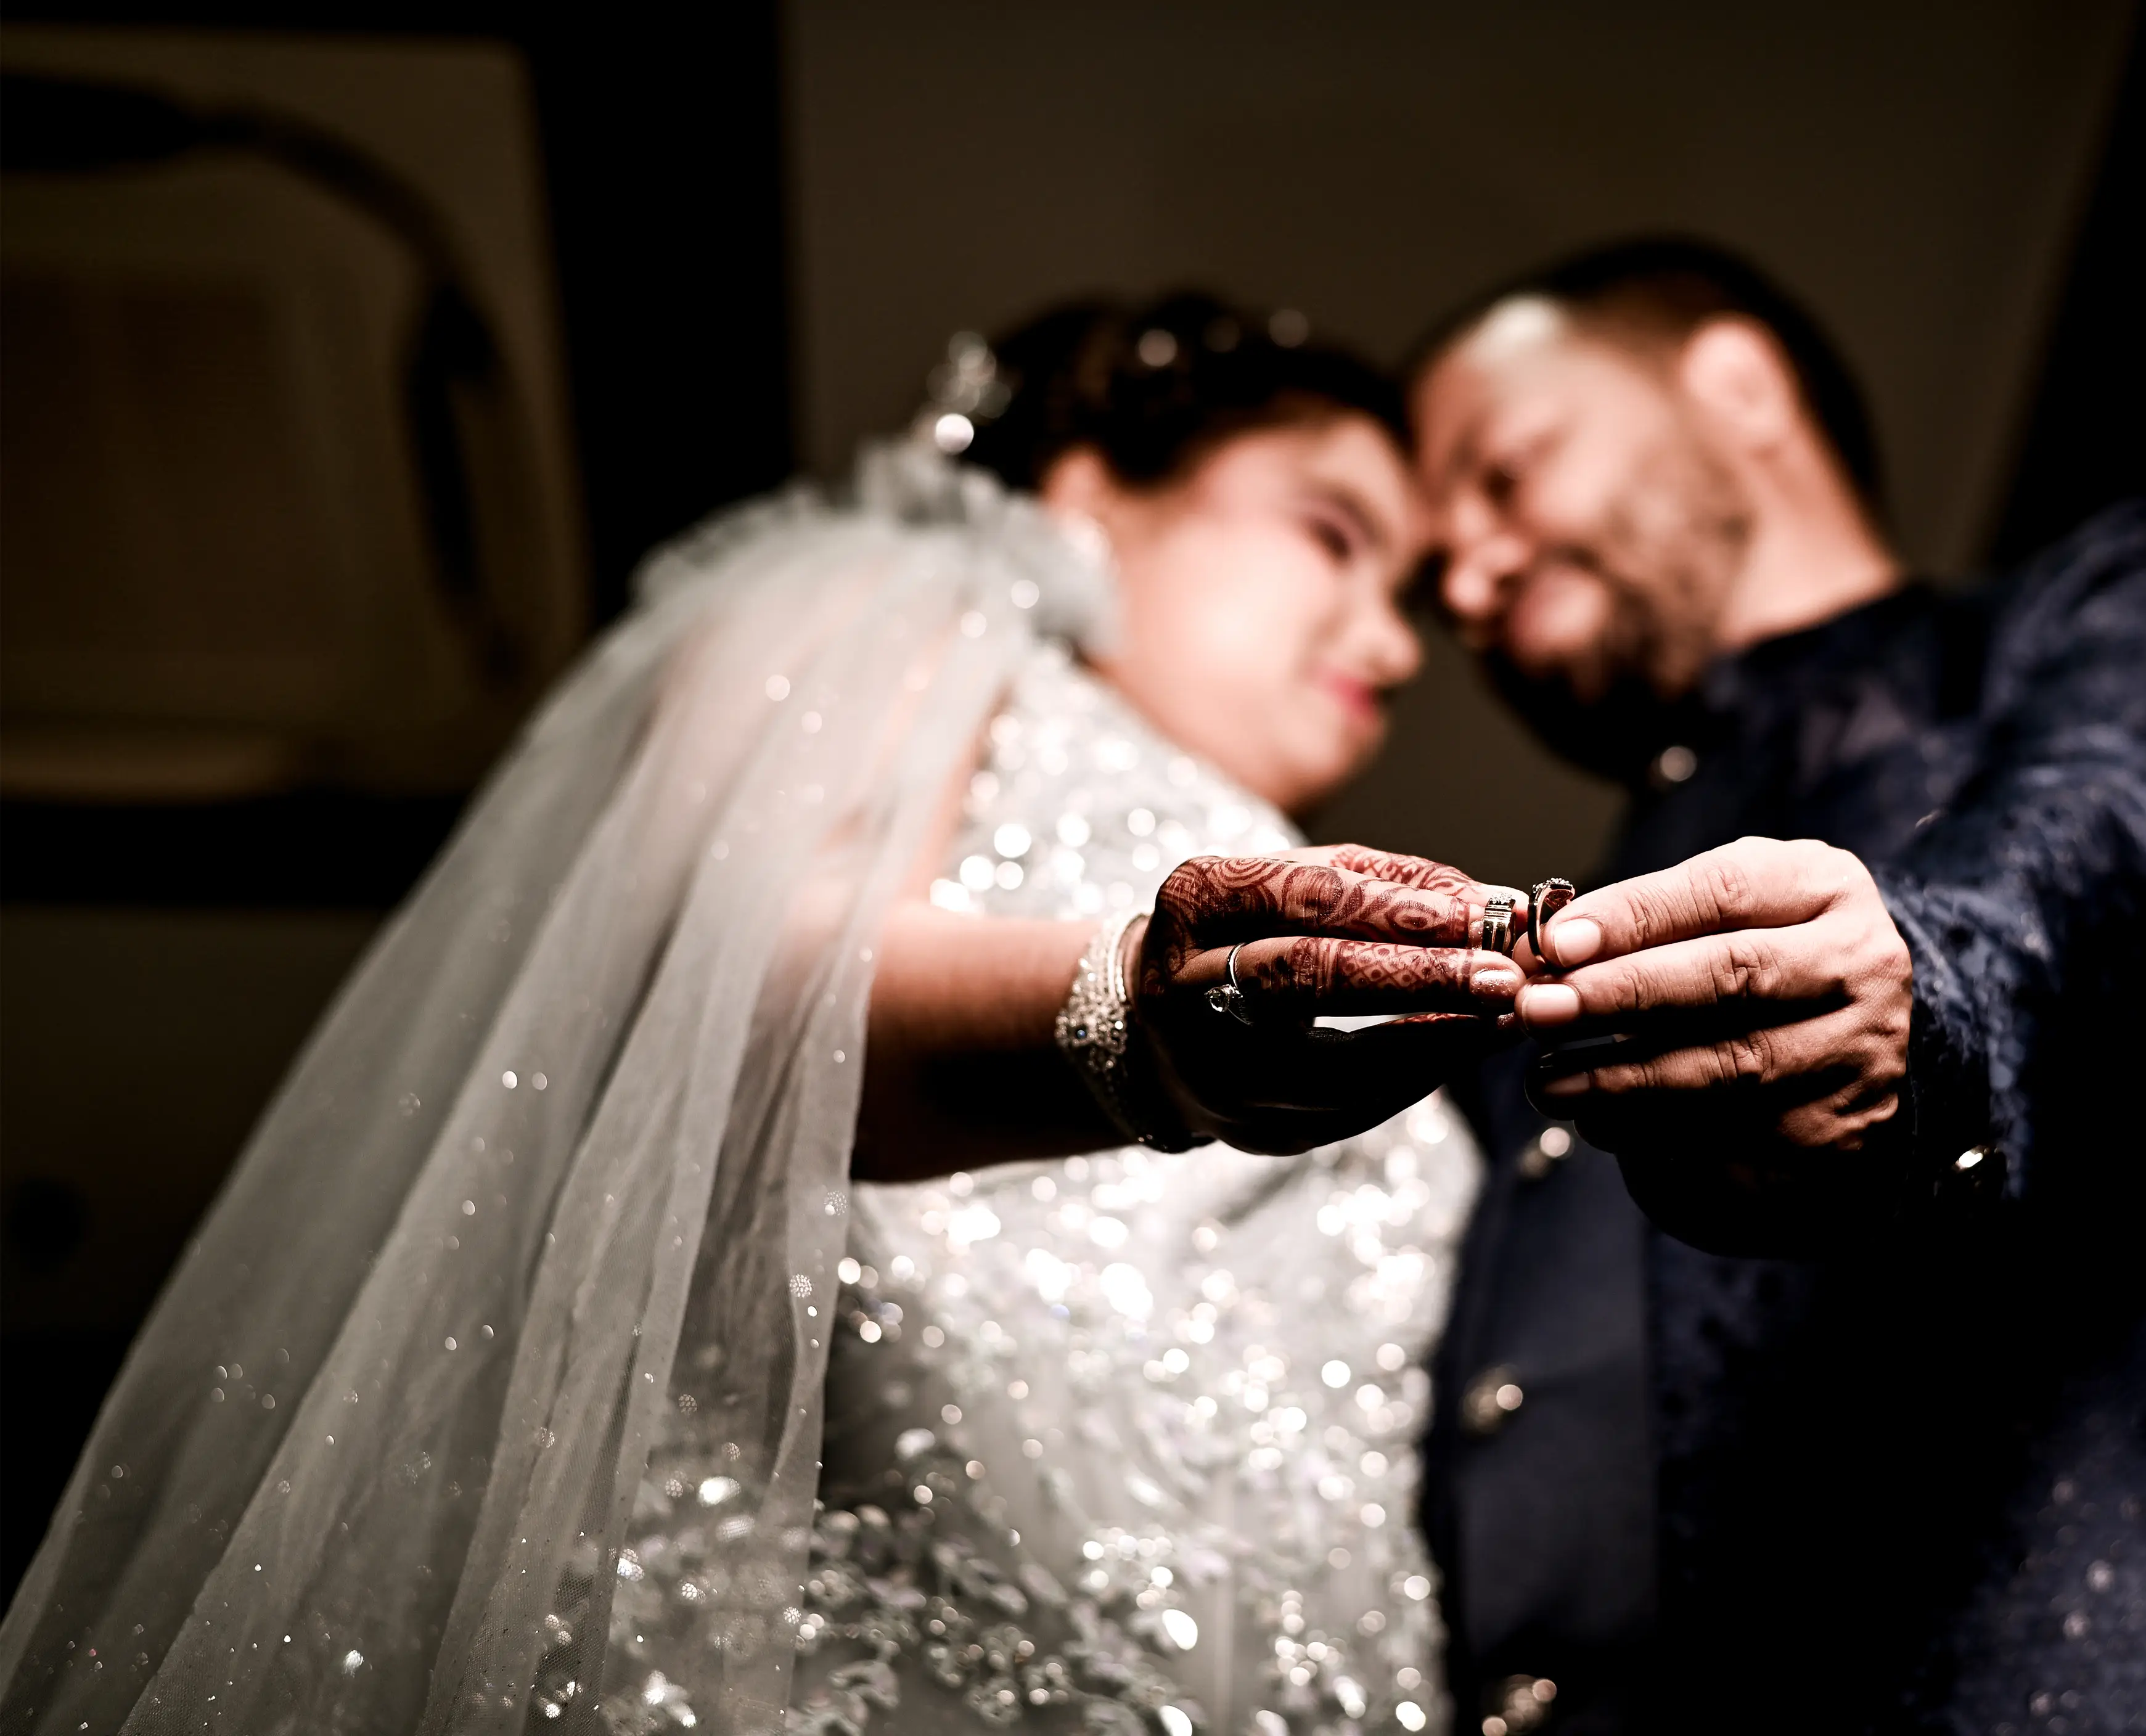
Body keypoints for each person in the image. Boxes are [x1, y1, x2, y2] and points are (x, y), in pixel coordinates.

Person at [0, 292, 1510, 1736]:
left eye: (1410, 603)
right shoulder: (907, 610)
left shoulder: (1295, 866)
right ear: (1088, 493)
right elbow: (730, 987)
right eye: (1334, 535)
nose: (1392, 647)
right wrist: (1127, 1022)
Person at [1409, 239, 2146, 1733]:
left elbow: (2115, 853)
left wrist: (1934, 1010)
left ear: (1740, 385)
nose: (1467, 580)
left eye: (1503, 474)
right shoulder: (1538, 944)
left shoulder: (2116, 608)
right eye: (1436, 576)